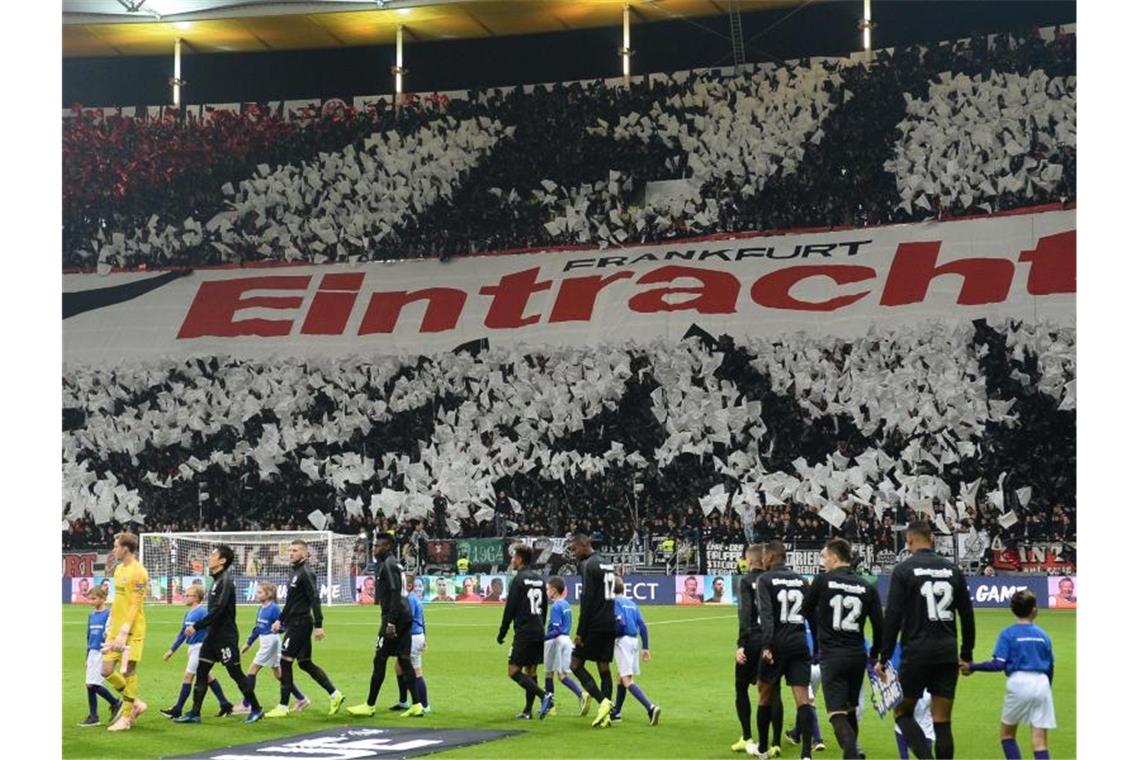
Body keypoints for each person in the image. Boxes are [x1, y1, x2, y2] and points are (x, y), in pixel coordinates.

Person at [876, 521, 975, 760]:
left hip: (916, 652)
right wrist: (966, 653)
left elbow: (893, 617)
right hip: (946, 652)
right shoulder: (953, 570)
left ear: (909, 541)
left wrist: (884, 657)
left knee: (901, 712)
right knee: (942, 721)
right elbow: (967, 615)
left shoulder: (904, 570)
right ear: (931, 538)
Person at [802, 537, 883, 759]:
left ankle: (851, 753)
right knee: (850, 711)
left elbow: (805, 609)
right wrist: (875, 655)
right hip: (857, 655)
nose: (823, 561)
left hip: (832, 655)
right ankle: (854, 751)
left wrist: (819, 639)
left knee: (837, 715)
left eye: (824, 556)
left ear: (835, 557)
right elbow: (879, 626)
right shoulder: (867, 586)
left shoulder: (822, 581)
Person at [172, 545, 264, 724]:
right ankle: (195, 712)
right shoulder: (216, 580)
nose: (210, 557)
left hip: (225, 638)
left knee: (235, 673)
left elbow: (219, 610)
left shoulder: (226, 580)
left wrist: (197, 626)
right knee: (202, 671)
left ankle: (257, 708)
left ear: (222, 561)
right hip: (212, 637)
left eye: (214, 554)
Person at [964, 590, 1055, 759]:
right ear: (1034, 610)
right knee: (1040, 741)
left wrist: (972, 666)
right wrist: (1046, 687)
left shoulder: (1008, 634)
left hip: (1019, 682)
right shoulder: (1044, 636)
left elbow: (998, 664)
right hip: (1042, 683)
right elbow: (1050, 667)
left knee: (1007, 735)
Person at [264, 539, 344, 718]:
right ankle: (335, 694)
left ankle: (283, 706)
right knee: (304, 662)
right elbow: (291, 601)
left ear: (305, 554)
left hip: (301, 623)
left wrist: (319, 625)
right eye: (290, 550)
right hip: (294, 622)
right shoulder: (294, 572)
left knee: (285, 661)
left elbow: (315, 599)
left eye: (295, 550)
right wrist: (281, 620)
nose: (291, 553)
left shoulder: (306, 573)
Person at [755, 541, 815, 759]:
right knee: (803, 700)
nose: (762, 560)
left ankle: (762, 748)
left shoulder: (765, 579)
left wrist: (767, 645)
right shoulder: (801, 581)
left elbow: (767, 616)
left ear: (771, 557)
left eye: (763, 556)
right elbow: (812, 615)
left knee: (764, 694)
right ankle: (806, 754)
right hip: (799, 643)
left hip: (777, 644)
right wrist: (814, 645)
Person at [348, 533, 416, 717]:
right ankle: (416, 705)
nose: (374, 549)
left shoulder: (388, 564)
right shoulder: (393, 563)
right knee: (403, 658)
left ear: (386, 547)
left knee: (380, 659)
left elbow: (394, 593)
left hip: (394, 617)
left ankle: (369, 705)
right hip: (404, 615)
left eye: (377, 546)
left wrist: (391, 621)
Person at [159, 584, 234, 719]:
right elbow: (183, 633)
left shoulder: (202, 612)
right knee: (207, 676)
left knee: (188, 677)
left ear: (196, 598)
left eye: (188, 595)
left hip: (200, 648)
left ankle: (178, 709)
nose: (185, 597)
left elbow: (213, 628)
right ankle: (225, 704)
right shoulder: (189, 613)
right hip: (192, 648)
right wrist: (172, 650)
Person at [233, 582, 309, 716]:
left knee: (252, 670)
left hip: (270, 641)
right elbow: (257, 628)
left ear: (268, 594)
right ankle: (301, 698)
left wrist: (279, 628)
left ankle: (246, 704)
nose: (257, 595)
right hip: (266, 641)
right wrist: (248, 643)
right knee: (278, 673)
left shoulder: (274, 608)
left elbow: (284, 625)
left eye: (260, 592)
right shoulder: (261, 608)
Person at [101, 531, 150, 732]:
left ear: (125, 548)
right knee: (106, 670)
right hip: (116, 628)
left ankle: (127, 717)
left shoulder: (139, 572)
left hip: (132, 630)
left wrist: (124, 630)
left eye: (116, 545)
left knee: (129, 670)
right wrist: (111, 624)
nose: (114, 549)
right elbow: (118, 601)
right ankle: (136, 702)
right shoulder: (119, 569)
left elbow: (135, 605)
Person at [497, 544, 552, 720]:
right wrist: (540, 626)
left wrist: (502, 632)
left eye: (514, 557)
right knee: (531, 671)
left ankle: (545, 696)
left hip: (524, 632)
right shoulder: (539, 579)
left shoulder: (519, 580)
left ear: (520, 559)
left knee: (513, 670)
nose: (512, 560)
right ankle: (528, 711)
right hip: (538, 630)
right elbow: (544, 607)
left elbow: (510, 609)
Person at [569, 533, 618, 727]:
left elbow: (587, 600)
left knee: (575, 664)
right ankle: (607, 716)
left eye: (574, 549)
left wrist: (580, 632)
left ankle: (603, 702)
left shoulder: (588, 565)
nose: (573, 554)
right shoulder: (606, 563)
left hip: (594, 625)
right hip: (609, 621)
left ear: (583, 545)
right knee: (604, 667)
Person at [611, 577, 661, 725]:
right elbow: (643, 626)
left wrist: (612, 635)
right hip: (634, 641)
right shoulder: (632, 603)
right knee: (621, 676)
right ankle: (617, 712)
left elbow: (620, 623)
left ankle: (650, 708)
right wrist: (645, 647)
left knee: (626, 679)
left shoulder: (615, 603)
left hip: (623, 641)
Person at [78, 586, 122, 727]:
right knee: (89, 685)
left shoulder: (109, 614)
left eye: (94, 598)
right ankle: (94, 716)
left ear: (103, 599)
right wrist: (87, 655)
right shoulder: (91, 615)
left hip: (103, 651)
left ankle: (115, 702)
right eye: (89, 598)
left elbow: (112, 632)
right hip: (92, 652)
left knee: (93, 684)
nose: (91, 601)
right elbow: (88, 636)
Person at [543, 576, 587, 715]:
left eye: (548, 589)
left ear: (554, 591)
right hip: (567, 640)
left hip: (555, 641)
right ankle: (581, 694)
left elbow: (556, 629)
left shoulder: (556, 606)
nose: (547, 591)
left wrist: (542, 637)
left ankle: (551, 707)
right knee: (562, 675)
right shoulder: (566, 604)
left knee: (549, 674)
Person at [390, 572, 430, 716]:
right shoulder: (413, 599)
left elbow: (407, 619)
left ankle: (424, 705)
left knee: (415, 671)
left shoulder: (410, 600)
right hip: (416, 636)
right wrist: (425, 636)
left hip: (412, 637)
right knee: (399, 667)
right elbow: (423, 620)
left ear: (409, 585)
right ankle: (403, 701)